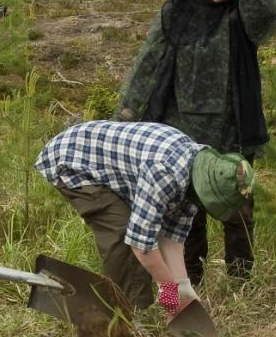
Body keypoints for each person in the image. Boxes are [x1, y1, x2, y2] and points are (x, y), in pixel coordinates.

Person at [118, 0, 276, 284]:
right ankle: (188, 284)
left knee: (237, 208)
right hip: (181, 130)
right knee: (187, 214)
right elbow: (150, 60)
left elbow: (272, 10)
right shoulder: (179, 7)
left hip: (233, 129)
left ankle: (240, 282)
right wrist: (127, 111)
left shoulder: (244, 13)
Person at [35, 119, 254, 320]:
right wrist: (171, 299)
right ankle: (122, 315)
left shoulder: (194, 179)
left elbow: (171, 240)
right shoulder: (165, 173)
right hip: (73, 161)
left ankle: (132, 308)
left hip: (111, 167)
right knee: (122, 232)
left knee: (137, 229)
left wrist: (184, 289)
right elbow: (142, 245)